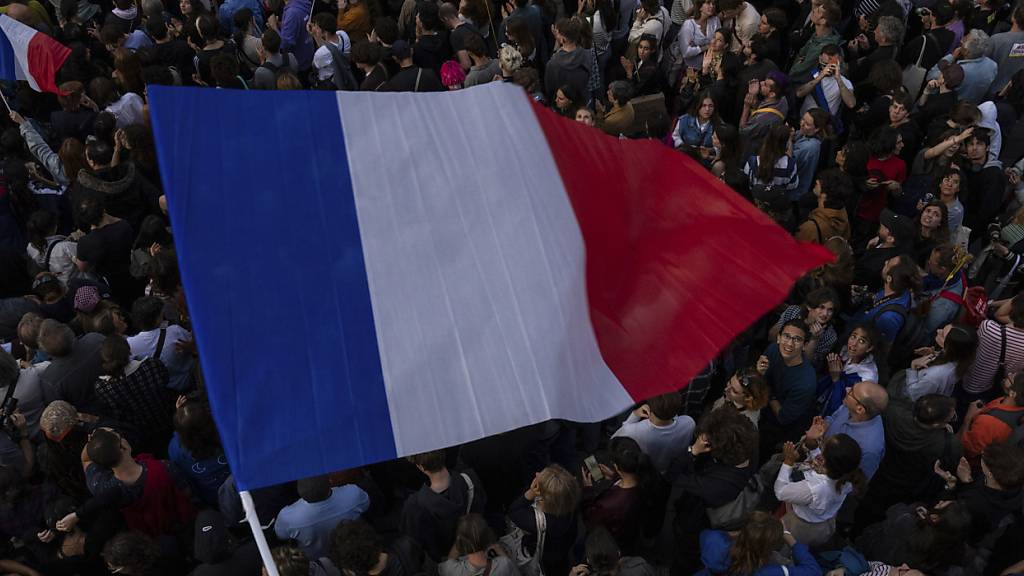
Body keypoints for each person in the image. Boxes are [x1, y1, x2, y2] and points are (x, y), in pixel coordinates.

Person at [775, 433, 863, 547]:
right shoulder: (848, 476)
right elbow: (828, 463)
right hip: (824, 524)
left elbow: (780, 492)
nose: (821, 447)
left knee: (784, 546)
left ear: (826, 461)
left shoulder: (815, 489)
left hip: (801, 527)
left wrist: (788, 462)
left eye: (823, 448)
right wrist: (813, 447)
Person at [400, 449, 486, 562]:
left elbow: (413, 542)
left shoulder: (414, 506)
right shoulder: (470, 479)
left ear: (421, 467)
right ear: (443, 454)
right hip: (476, 549)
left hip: (445, 561)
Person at [694, 511, 821, 576]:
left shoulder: (713, 540)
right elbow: (813, 571)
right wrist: (789, 538)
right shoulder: (768, 572)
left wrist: (735, 534)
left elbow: (706, 534)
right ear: (768, 547)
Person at [275, 475, 370, 560]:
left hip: (316, 559)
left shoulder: (288, 517)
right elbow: (366, 503)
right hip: (351, 552)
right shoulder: (353, 494)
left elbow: (281, 535)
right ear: (330, 481)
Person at [508, 465, 580, 576]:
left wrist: (531, 493)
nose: (537, 473)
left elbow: (514, 511)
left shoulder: (536, 521)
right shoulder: (568, 500)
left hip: (544, 557)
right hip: (563, 549)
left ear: (545, 498)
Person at [612, 391, 694, 475]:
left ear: (650, 408)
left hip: (645, 472)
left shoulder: (633, 430)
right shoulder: (689, 423)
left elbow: (614, 440)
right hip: (672, 470)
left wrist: (635, 415)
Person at [961, 294, 1024, 401]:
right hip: (995, 388)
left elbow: (999, 314)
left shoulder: (988, 328)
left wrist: (1019, 298)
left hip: (967, 378)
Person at [897, 324, 978, 401]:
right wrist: (934, 354)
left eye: (942, 334)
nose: (938, 330)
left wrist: (913, 366)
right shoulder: (962, 358)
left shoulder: (934, 376)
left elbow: (913, 395)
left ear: (950, 347)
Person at [958, 371, 1024, 464]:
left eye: (1011, 377)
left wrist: (968, 419)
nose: (1008, 374)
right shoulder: (1015, 405)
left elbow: (966, 449)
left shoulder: (989, 423)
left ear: (1013, 393)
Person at [818, 325, 880, 418]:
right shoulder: (845, 353)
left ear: (869, 348)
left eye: (861, 341)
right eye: (853, 336)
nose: (853, 344)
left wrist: (836, 379)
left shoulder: (867, 378)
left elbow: (844, 408)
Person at [439, 514, 520, 576]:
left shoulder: (451, 570)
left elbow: (449, 561)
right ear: (489, 538)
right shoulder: (504, 564)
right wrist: (501, 552)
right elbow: (516, 573)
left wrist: (461, 540)